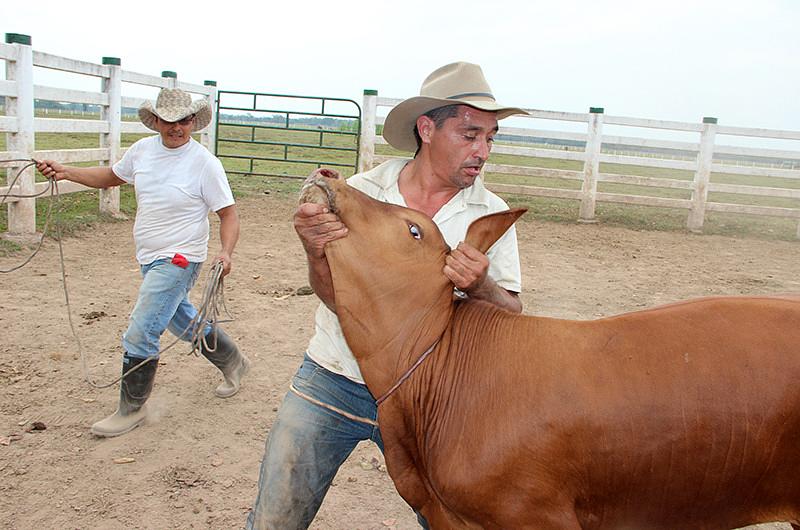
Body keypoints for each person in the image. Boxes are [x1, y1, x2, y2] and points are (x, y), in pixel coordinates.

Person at [246, 61, 527, 529]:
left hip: (433, 394)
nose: (483, 151)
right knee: (275, 517)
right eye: (470, 134)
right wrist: (316, 253)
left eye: (491, 138)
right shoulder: (361, 193)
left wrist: (482, 286)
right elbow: (335, 298)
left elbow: (512, 313)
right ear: (426, 129)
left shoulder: (489, 212)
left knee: (450, 519)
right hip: (336, 375)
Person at [36, 88, 250, 438]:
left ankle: (131, 409)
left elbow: (228, 214)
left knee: (143, 326)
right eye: (169, 121)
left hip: (181, 258)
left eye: (183, 120)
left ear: (193, 121)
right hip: (149, 257)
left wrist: (226, 252)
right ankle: (233, 361)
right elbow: (111, 176)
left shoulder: (205, 164)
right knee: (179, 319)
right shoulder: (142, 152)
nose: (176, 127)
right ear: (157, 121)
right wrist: (66, 172)